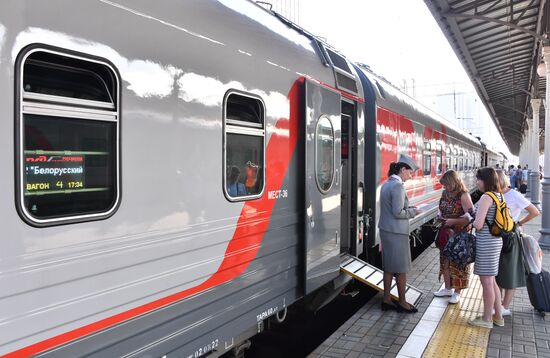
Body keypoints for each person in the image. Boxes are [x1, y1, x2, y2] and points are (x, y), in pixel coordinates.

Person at [378, 154, 422, 313]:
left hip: (386, 230)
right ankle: (402, 302)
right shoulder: (397, 186)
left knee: (389, 267)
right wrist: (413, 211)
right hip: (396, 232)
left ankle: (386, 299)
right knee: (401, 269)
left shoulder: (386, 183)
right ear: (403, 169)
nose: (410, 177)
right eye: (410, 173)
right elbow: (398, 212)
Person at [496, 170, 540, 315]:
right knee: (497, 272)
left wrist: (519, 222)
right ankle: (498, 304)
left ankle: (505, 307)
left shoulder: (514, 195)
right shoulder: (494, 194)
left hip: (509, 237)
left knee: (510, 271)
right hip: (496, 236)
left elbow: (535, 211)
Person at [469, 167, 504, 328]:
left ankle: (487, 319)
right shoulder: (498, 195)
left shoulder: (485, 197)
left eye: (479, 179)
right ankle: (498, 316)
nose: (477, 182)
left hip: (487, 243)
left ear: (486, 180)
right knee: (492, 281)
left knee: (486, 283)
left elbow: (478, 224)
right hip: (495, 241)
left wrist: (471, 218)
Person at [433, 170, 474, 304]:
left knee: (458, 263)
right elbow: (441, 207)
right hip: (446, 232)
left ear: (454, 182)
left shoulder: (463, 195)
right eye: (444, 186)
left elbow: (471, 217)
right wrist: (439, 216)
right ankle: (447, 288)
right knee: (445, 261)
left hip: (459, 234)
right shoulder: (445, 193)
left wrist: (454, 222)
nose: (446, 188)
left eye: (448, 185)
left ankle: (457, 292)